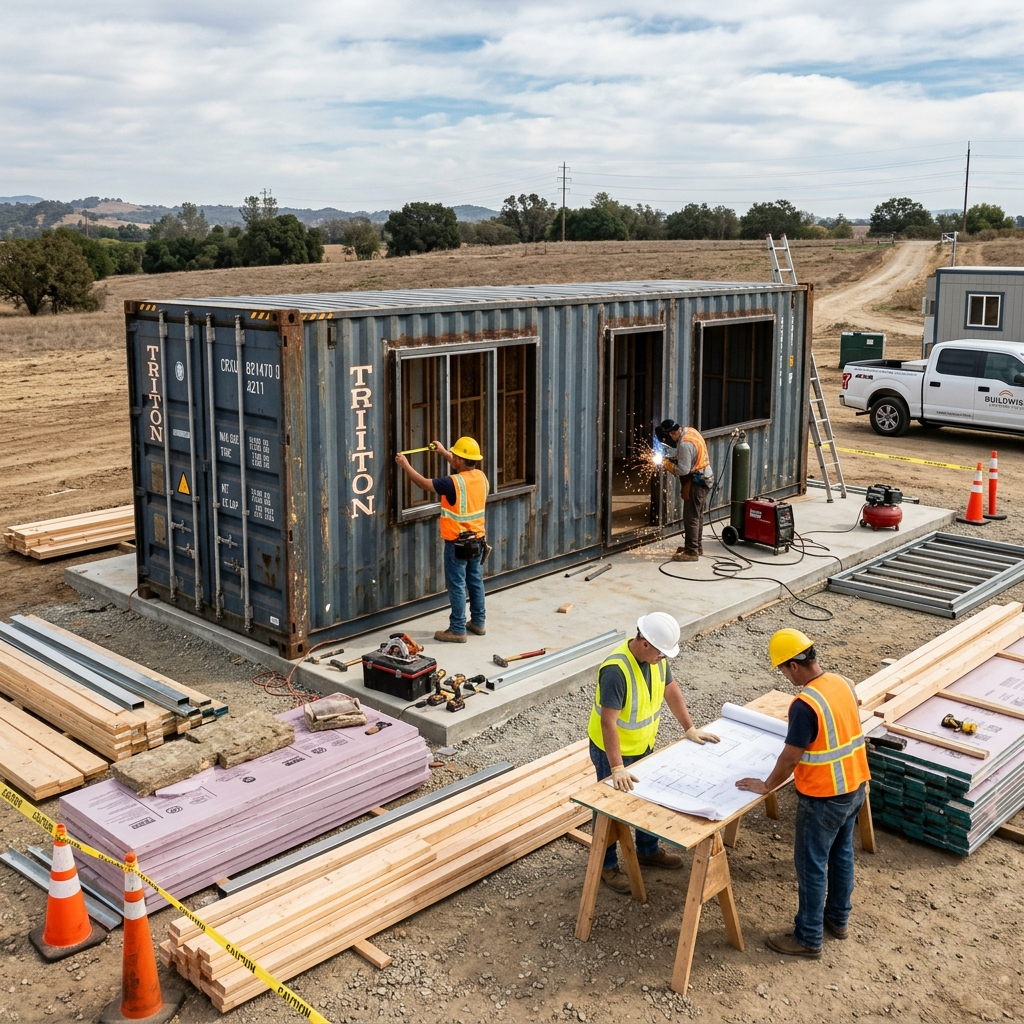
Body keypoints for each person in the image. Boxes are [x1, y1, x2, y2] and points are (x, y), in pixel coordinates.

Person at [736, 628, 871, 959]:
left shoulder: (804, 705)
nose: (784, 676)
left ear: (793, 666)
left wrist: (767, 786)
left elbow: (791, 757)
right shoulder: (843, 683)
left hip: (823, 797)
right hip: (856, 786)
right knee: (841, 856)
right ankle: (837, 921)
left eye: (782, 670)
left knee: (812, 866)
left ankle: (808, 937)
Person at [588, 611, 721, 893]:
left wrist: (690, 728)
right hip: (613, 753)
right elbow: (608, 721)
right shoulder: (616, 670)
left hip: (643, 746)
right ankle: (606, 865)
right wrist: (616, 767)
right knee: (610, 809)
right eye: (662, 652)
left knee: (647, 800)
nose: (665, 658)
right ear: (645, 642)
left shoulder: (656, 660)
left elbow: (670, 690)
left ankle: (647, 850)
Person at [395, 436, 488, 643]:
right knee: (475, 581)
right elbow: (460, 467)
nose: (452, 458)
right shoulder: (481, 476)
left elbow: (423, 483)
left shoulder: (451, 483)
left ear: (461, 460)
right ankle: (479, 623)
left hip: (457, 544)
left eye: (454, 456)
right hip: (478, 542)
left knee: (456, 584)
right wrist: (444, 452)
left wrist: (405, 465)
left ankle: (457, 629)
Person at [653, 419, 713, 563]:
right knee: (697, 515)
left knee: (691, 517)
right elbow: (690, 457)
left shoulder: (685, 444)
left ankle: (691, 552)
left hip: (697, 482)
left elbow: (683, 470)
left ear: (672, 433)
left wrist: (668, 465)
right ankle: (695, 546)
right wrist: (674, 459)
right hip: (705, 477)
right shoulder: (690, 431)